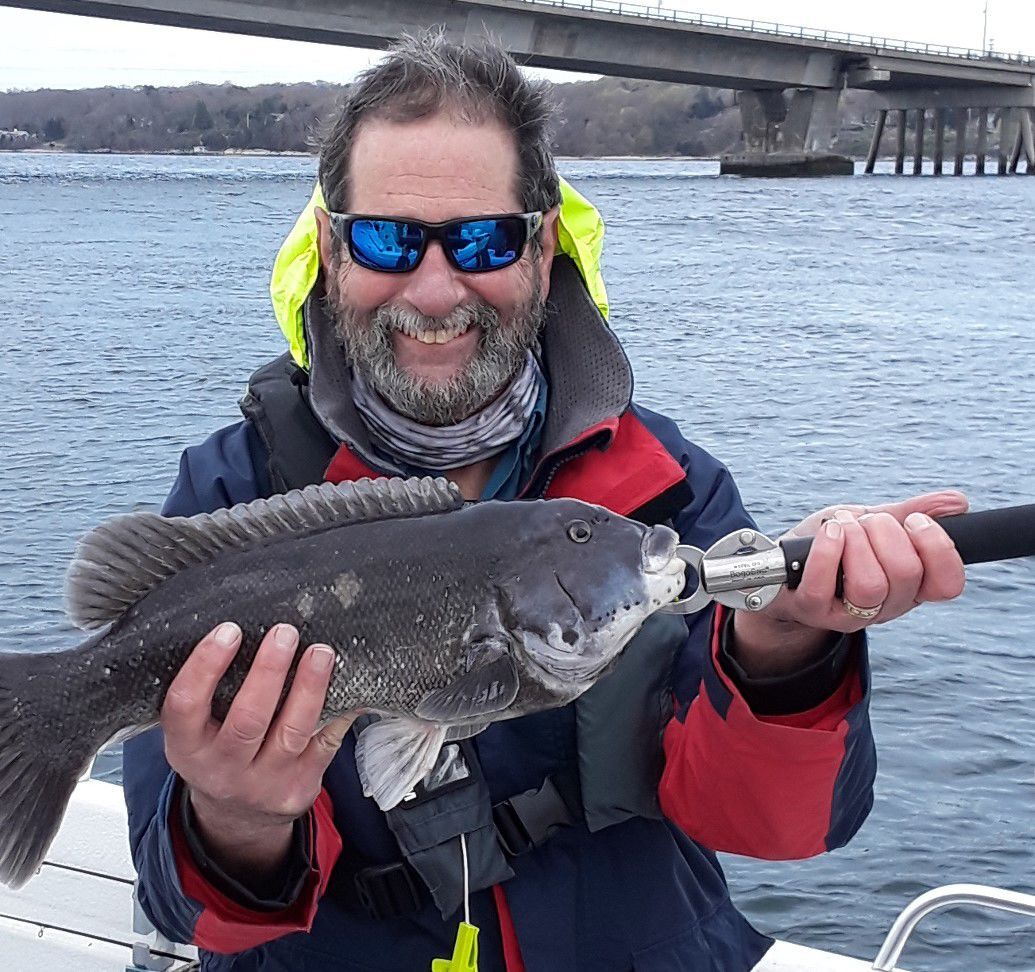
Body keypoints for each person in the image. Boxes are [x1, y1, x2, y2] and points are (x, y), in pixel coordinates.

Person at [123, 33, 968, 972]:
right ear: (329, 246)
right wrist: (235, 819)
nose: (435, 289)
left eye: (481, 238)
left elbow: (779, 828)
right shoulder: (232, 492)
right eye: (386, 239)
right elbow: (189, 912)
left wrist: (784, 649)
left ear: (543, 243)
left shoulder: (668, 486)